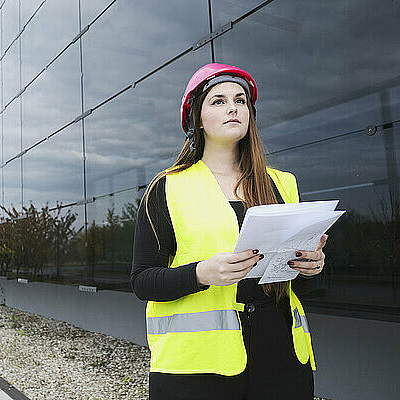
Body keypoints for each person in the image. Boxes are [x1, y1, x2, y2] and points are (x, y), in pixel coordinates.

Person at [131, 63, 328, 400]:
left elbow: (303, 286)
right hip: (197, 367)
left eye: (240, 100)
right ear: (198, 118)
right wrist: (201, 273)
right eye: (218, 101)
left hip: (281, 358)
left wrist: (313, 267)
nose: (233, 107)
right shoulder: (167, 188)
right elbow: (142, 280)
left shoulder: (282, 183)